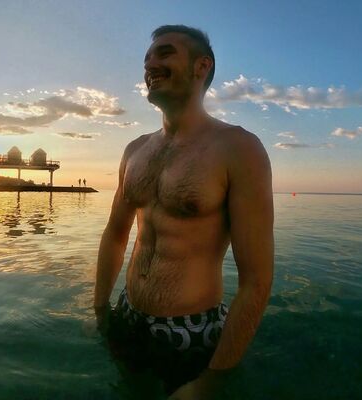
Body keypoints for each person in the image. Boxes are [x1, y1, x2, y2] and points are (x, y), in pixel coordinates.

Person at [94, 25, 274, 399]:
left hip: (191, 331)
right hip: (127, 315)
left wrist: (214, 379)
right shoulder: (135, 150)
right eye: (147, 59)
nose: (150, 65)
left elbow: (256, 280)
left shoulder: (239, 149)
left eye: (164, 53)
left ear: (201, 66)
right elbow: (115, 234)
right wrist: (100, 308)